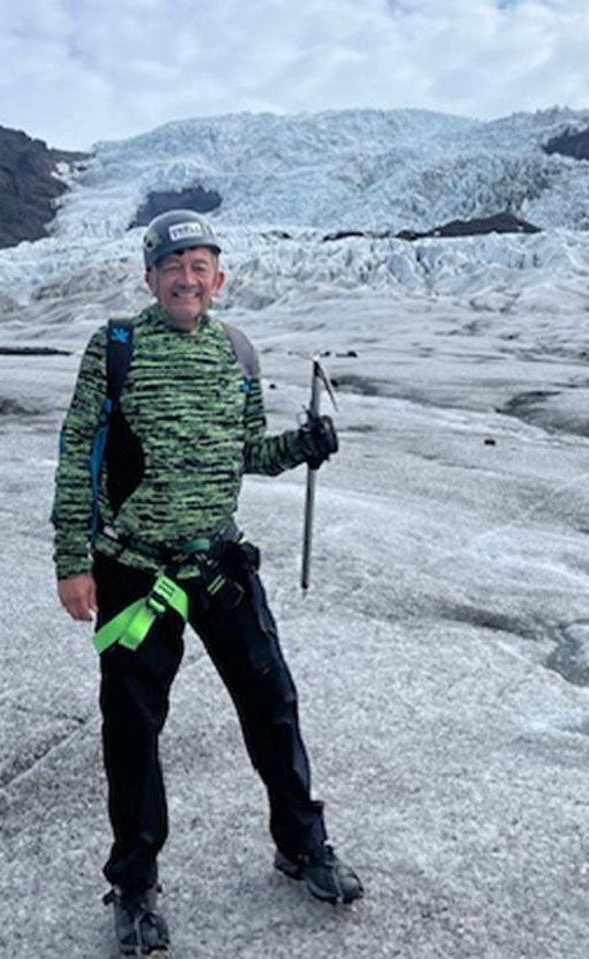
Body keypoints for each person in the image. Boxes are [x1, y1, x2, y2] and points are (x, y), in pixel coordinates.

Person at [50, 210, 360, 954]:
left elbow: (247, 451)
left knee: (272, 702)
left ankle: (301, 843)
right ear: (151, 276)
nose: (187, 279)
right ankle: (134, 884)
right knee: (132, 731)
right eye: (173, 265)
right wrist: (72, 558)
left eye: (201, 266)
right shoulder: (115, 349)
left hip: (217, 563)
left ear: (219, 279)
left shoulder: (236, 353)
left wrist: (301, 447)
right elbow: (74, 452)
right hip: (134, 570)